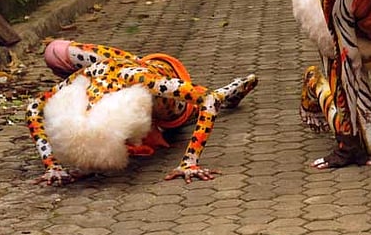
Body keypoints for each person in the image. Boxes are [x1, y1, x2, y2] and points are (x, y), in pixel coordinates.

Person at [26, 39, 258, 185]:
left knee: (210, 100)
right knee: (54, 51)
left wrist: (190, 161)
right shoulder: (82, 79)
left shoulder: (142, 81)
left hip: (170, 99)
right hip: (127, 68)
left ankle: (235, 88)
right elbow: (34, 106)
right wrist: (52, 165)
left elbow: (208, 99)